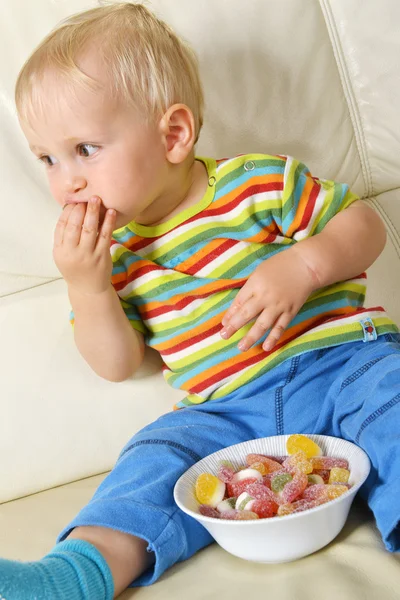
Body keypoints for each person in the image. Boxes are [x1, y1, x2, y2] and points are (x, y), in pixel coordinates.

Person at [3, 2, 399, 599]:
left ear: (173, 135)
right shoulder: (117, 257)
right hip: (224, 415)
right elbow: (119, 364)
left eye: (85, 149)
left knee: (390, 395)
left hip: (341, 364)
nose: (68, 182)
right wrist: (87, 286)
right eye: (48, 160)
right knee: (153, 456)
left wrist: (303, 264)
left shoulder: (255, 184)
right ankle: (75, 574)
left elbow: (364, 225)